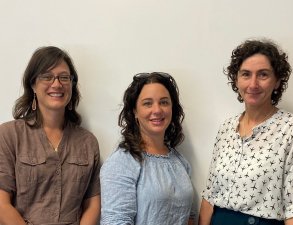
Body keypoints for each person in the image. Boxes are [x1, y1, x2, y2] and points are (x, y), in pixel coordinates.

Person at [199, 39, 293, 225]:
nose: (253, 84)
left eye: (263, 75)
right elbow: (210, 193)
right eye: (246, 74)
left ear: (277, 82)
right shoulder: (226, 128)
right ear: (236, 80)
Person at [0, 46, 101, 225]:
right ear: (33, 84)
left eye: (64, 77)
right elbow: (2, 203)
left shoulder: (88, 142)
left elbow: (92, 203)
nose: (56, 84)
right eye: (47, 76)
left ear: (71, 84)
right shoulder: (9, 135)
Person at [100, 72, 195, 225]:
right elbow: (116, 221)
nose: (157, 110)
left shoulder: (180, 161)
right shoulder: (122, 162)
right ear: (135, 111)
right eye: (147, 103)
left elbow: (189, 216)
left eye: (164, 102)